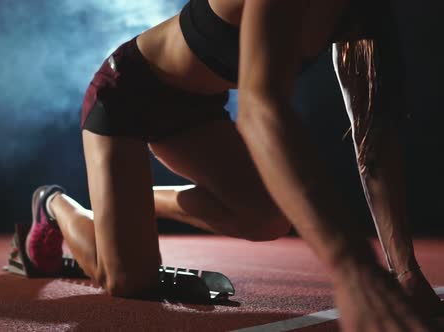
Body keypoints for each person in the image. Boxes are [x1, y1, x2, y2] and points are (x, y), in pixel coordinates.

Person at [24, 0, 442, 330]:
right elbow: (261, 109)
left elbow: (374, 143)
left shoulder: (365, 14)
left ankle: (132, 206)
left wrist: (405, 272)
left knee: (268, 220)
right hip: (125, 96)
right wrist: (351, 267)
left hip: (195, 112)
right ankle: (55, 205)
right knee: (130, 282)